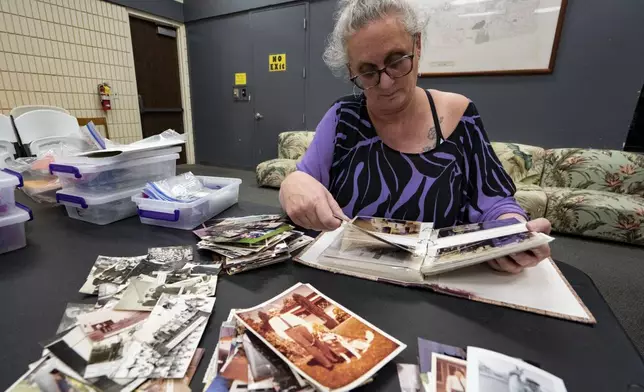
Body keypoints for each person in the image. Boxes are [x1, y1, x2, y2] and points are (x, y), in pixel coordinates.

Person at [279, 0, 551, 274]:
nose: (386, 82)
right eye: (368, 71)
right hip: (351, 285)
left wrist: (513, 232)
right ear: (351, 71)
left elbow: (493, 199)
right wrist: (292, 185)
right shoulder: (343, 118)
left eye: (396, 60)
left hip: (435, 293)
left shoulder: (459, 115)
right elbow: (303, 182)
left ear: (417, 45)